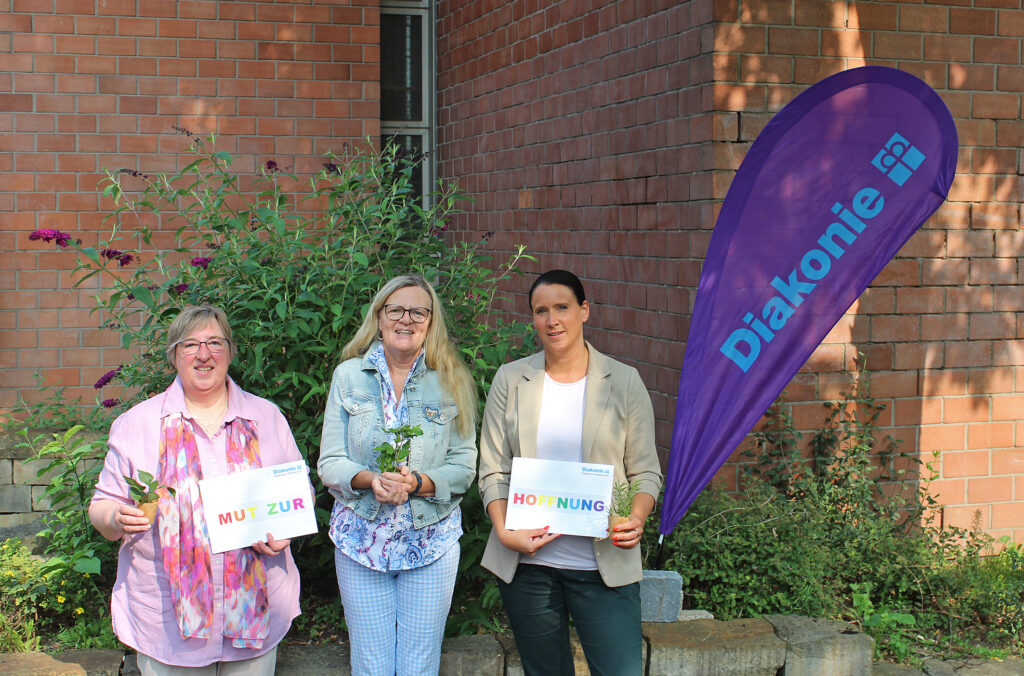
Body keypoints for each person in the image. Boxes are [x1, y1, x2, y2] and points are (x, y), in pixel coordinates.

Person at [89, 304, 304, 676]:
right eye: (191, 345)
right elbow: (102, 508)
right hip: (166, 622)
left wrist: (284, 530)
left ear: (231, 352)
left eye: (215, 343)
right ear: (174, 355)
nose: (204, 354)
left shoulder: (266, 417)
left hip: (255, 617)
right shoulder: (137, 424)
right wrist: (115, 517)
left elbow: (297, 498)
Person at [478, 269, 663, 676]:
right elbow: (493, 470)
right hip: (529, 567)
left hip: (604, 563)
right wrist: (504, 529)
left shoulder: (624, 381)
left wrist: (636, 517)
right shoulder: (511, 379)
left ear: (584, 311)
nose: (552, 320)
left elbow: (645, 471)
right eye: (541, 311)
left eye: (562, 307)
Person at [318, 273, 477, 675]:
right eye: (396, 310)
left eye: (418, 311)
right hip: (360, 542)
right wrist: (371, 480)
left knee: (418, 667)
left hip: (432, 542)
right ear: (380, 316)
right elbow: (330, 461)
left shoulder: (451, 380)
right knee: (370, 666)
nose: (406, 319)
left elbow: (464, 466)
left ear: (430, 321)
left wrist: (418, 484)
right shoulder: (349, 376)